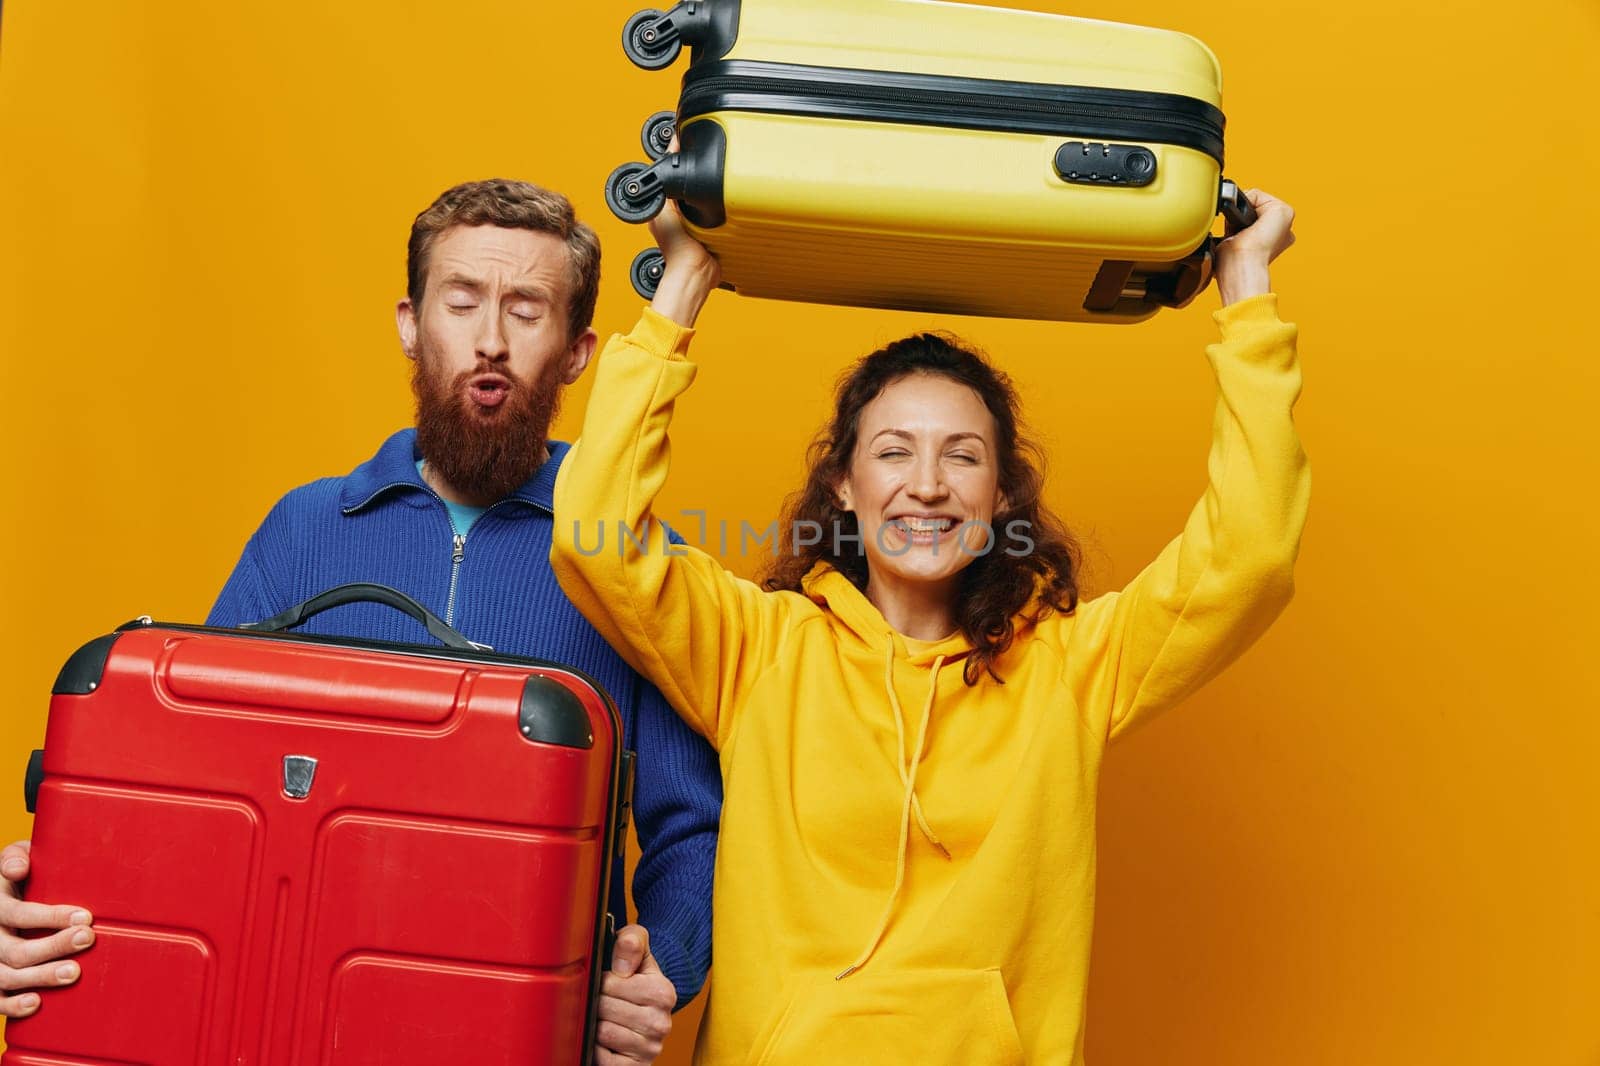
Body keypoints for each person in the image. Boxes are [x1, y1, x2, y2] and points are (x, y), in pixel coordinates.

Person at [549, 191, 1307, 1064]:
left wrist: (1247, 295)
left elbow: (1249, 558)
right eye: (894, 450)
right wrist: (682, 284)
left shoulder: (1072, 667)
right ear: (844, 483)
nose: (928, 485)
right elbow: (593, 535)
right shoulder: (759, 649)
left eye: (963, 455)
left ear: (1002, 495)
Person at [0, 179, 720, 1063]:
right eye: (462, 303)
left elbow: (693, 828)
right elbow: (182, 787)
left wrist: (660, 974)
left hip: (521, 1035)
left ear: (577, 353)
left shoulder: (629, 558)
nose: (490, 341)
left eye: (527, 311)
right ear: (411, 325)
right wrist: (53, 892)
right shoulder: (302, 530)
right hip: (293, 1023)